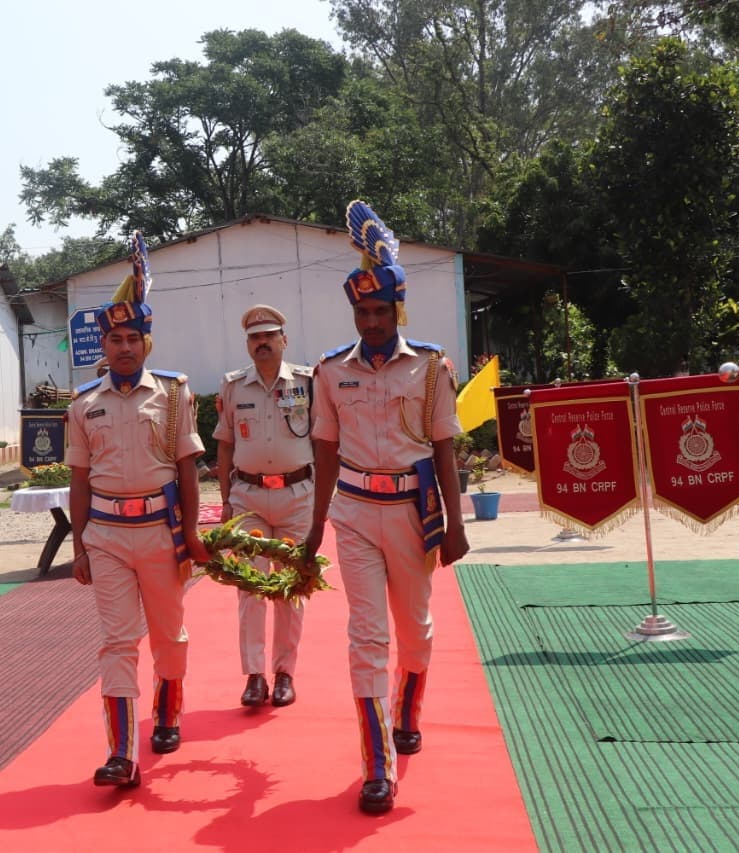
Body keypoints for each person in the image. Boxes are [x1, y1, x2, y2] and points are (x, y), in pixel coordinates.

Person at [303, 201, 469, 815]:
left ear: (397, 310)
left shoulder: (430, 368)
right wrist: (315, 525)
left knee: (415, 633)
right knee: (366, 636)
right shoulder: (329, 371)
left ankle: (408, 709)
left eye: (380, 311)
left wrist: (455, 523)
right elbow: (324, 453)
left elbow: (445, 448)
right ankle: (377, 765)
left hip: (413, 513)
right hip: (353, 513)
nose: (371, 321)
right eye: (362, 311)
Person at [66, 232, 210, 789]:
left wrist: (192, 531)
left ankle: (169, 712)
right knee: (117, 640)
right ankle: (121, 753)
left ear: (146, 342)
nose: (123, 347)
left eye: (132, 338)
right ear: (102, 345)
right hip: (105, 534)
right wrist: (79, 544)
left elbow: (187, 469)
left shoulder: (174, 396)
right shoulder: (84, 405)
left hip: (160, 533)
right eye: (114, 339)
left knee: (169, 636)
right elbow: (79, 480)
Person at [213, 304, 314, 708]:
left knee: (292, 588)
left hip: (297, 496)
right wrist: (224, 501)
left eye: (269, 336)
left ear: (283, 340)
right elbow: (225, 444)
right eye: (255, 338)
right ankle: (254, 675)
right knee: (251, 588)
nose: (262, 343)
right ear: (248, 344)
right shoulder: (234, 386)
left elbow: (325, 439)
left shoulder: (308, 382)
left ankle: (285, 672)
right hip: (248, 498)